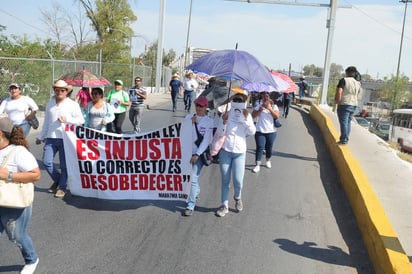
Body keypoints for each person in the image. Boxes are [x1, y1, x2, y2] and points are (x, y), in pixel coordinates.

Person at [0, 116, 41, 274]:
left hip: (13, 202)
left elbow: (35, 175)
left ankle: (31, 259)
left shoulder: (18, 152)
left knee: (16, 235)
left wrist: (8, 175)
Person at [35, 80, 84, 198]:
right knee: (46, 162)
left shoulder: (72, 104)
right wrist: (41, 137)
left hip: (65, 138)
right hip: (51, 138)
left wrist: (67, 119)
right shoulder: (50, 104)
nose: (59, 92)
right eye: (57, 90)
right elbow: (46, 122)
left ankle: (62, 187)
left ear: (67, 91)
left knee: (64, 166)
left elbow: (81, 121)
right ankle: (58, 180)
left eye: (62, 90)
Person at [214, 90, 256, 217]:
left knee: (238, 180)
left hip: (239, 152)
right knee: (225, 180)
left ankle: (237, 197)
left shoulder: (247, 115)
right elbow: (220, 133)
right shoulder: (226, 113)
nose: (237, 102)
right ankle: (224, 205)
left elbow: (252, 132)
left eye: (240, 100)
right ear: (232, 101)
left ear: (244, 102)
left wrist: (246, 119)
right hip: (226, 151)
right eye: (235, 100)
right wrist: (224, 122)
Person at [184, 96, 213, 216]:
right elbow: (181, 132)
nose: (198, 108)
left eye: (201, 106)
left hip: (199, 154)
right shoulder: (188, 117)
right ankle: (195, 192)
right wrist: (188, 123)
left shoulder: (209, 121)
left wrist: (197, 154)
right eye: (196, 105)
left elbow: (206, 140)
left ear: (206, 107)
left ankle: (190, 205)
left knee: (193, 178)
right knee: (188, 178)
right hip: (186, 152)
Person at [251, 91, 280, 173]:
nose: (265, 97)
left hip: (271, 131)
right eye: (264, 95)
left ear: (270, 97)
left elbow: (277, 116)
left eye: (267, 95)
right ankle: (257, 165)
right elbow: (252, 115)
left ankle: (268, 160)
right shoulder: (257, 103)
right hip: (259, 130)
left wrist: (270, 109)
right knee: (260, 147)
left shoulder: (274, 105)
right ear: (261, 96)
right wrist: (260, 109)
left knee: (269, 148)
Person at [335, 66, 362, 145]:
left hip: (344, 103)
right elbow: (359, 95)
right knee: (348, 122)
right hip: (353, 104)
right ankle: (345, 139)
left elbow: (339, 91)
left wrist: (338, 101)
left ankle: (344, 140)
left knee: (343, 122)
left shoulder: (344, 80)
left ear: (347, 73)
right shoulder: (358, 83)